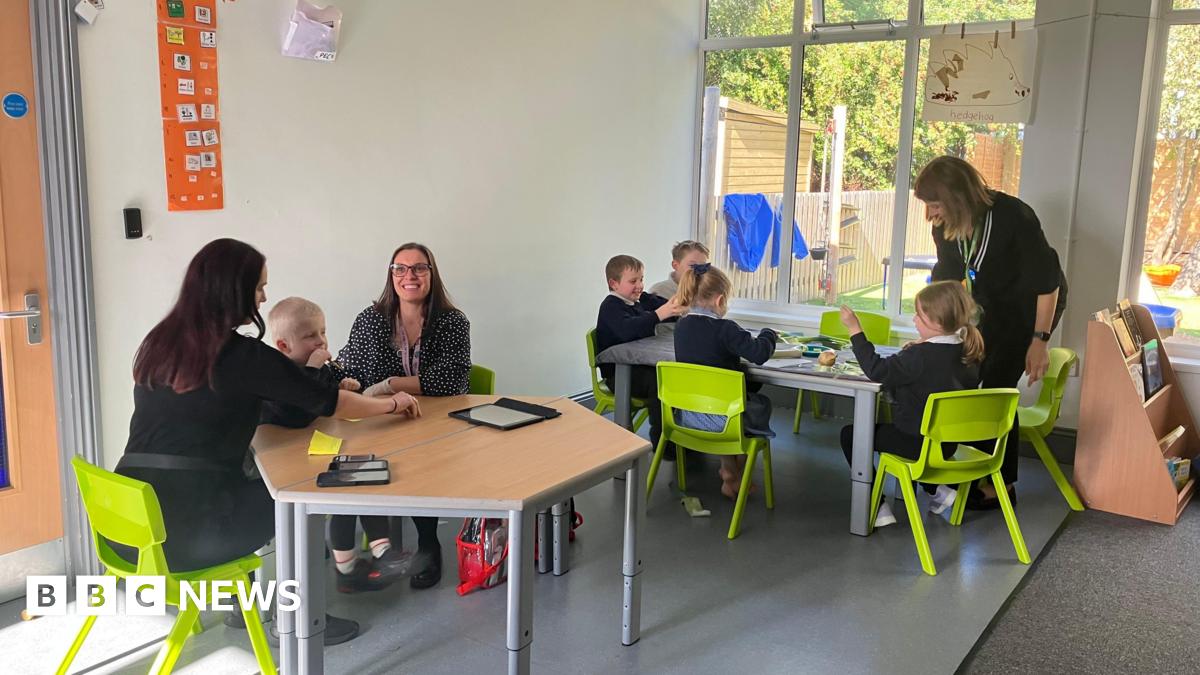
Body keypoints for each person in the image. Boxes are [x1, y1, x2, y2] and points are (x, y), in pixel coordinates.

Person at [115, 239, 421, 646]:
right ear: (233, 289)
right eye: (259, 286)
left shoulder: (162, 341)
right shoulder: (239, 355)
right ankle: (297, 619)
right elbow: (331, 402)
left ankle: (240, 607)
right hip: (187, 531)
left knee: (255, 481)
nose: (263, 296)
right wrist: (392, 404)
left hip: (131, 522)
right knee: (302, 500)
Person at [916, 156, 1067, 509]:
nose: (930, 214)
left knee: (998, 385)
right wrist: (938, 335)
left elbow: (1046, 284)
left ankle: (999, 485)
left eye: (935, 205)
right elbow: (950, 284)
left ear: (957, 198)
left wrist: (1039, 342)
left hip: (1031, 307)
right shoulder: (945, 227)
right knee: (966, 376)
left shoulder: (1015, 217)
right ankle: (966, 468)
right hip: (985, 305)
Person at [336, 243, 471, 590]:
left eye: (419, 268)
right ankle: (369, 552)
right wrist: (364, 384)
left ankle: (428, 543)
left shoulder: (452, 321)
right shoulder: (371, 319)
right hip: (381, 420)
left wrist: (391, 384)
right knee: (356, 460)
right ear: (391, 275)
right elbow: (356, 371)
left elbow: (452, 379)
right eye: (400, 268)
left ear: (431, 274)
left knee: (424, 460)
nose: (409, 276)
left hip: (436, 420)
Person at [261, 297, 413, 593]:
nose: (320, 341)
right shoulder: (280, 374)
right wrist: (316, 373)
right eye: (309, 336)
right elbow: (297, 410)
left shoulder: (318, 368)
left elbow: (327, 398)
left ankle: (382, 549)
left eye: (323, 332)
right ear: (283, 346)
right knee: (342, 488)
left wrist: (341, 387)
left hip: (318, 446)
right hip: (286, 460)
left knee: (361, 474)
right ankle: (347, 566)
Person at [838, 281, 983, 527]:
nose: (914, 319)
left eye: (919, 315)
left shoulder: (919, 357)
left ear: (937, 323)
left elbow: (876, 369)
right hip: (946, 445)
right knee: (904, 428)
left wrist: (855, 329)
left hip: (917, 444)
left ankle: (878, 504)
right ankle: (936, 491)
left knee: (851, 434)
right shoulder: (967, 352)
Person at [672, 262, 777, 497]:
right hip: (724, 423)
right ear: (720, 301)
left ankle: (730, 471)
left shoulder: (682, 327)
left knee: (724, 403)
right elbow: (759, 353)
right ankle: (735, 471)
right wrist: (769, 334)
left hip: (687, 416)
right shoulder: (726, 329)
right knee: (758, 405)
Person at [595, 254, 684, 453]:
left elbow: (659, 304)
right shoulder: (610, 306)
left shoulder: (639, 299)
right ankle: (664, 442)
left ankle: (681, 433)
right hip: (618, 374)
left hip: (639, 364)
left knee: (671, 377)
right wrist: (660, 314)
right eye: (633, 281)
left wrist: (675, 306)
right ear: (614, 283)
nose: (640, 285)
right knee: (659, 383)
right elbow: (628, 329)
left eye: (642, 279)